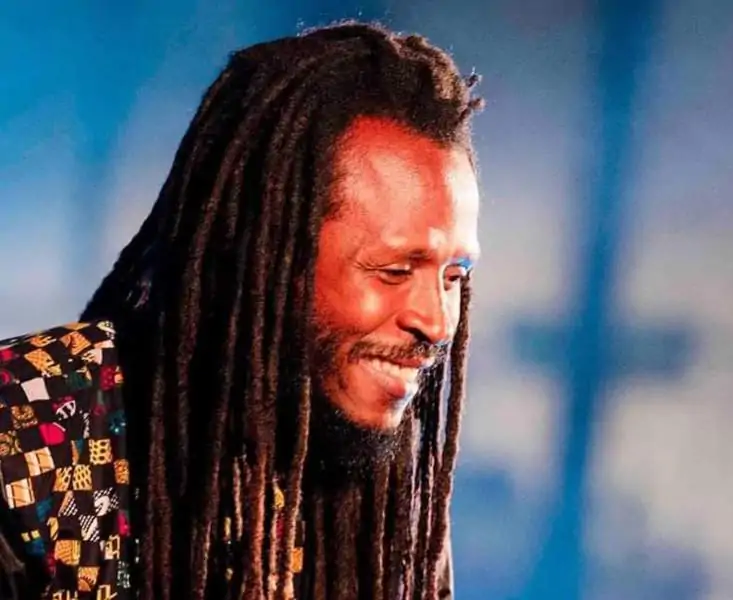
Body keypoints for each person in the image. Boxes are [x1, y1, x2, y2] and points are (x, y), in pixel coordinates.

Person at [0, 20, 483, 600]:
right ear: (266, 250)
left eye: (454, 277)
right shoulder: (21, 429)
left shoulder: (385, 489)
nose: (436, 323)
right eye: (395, 271)